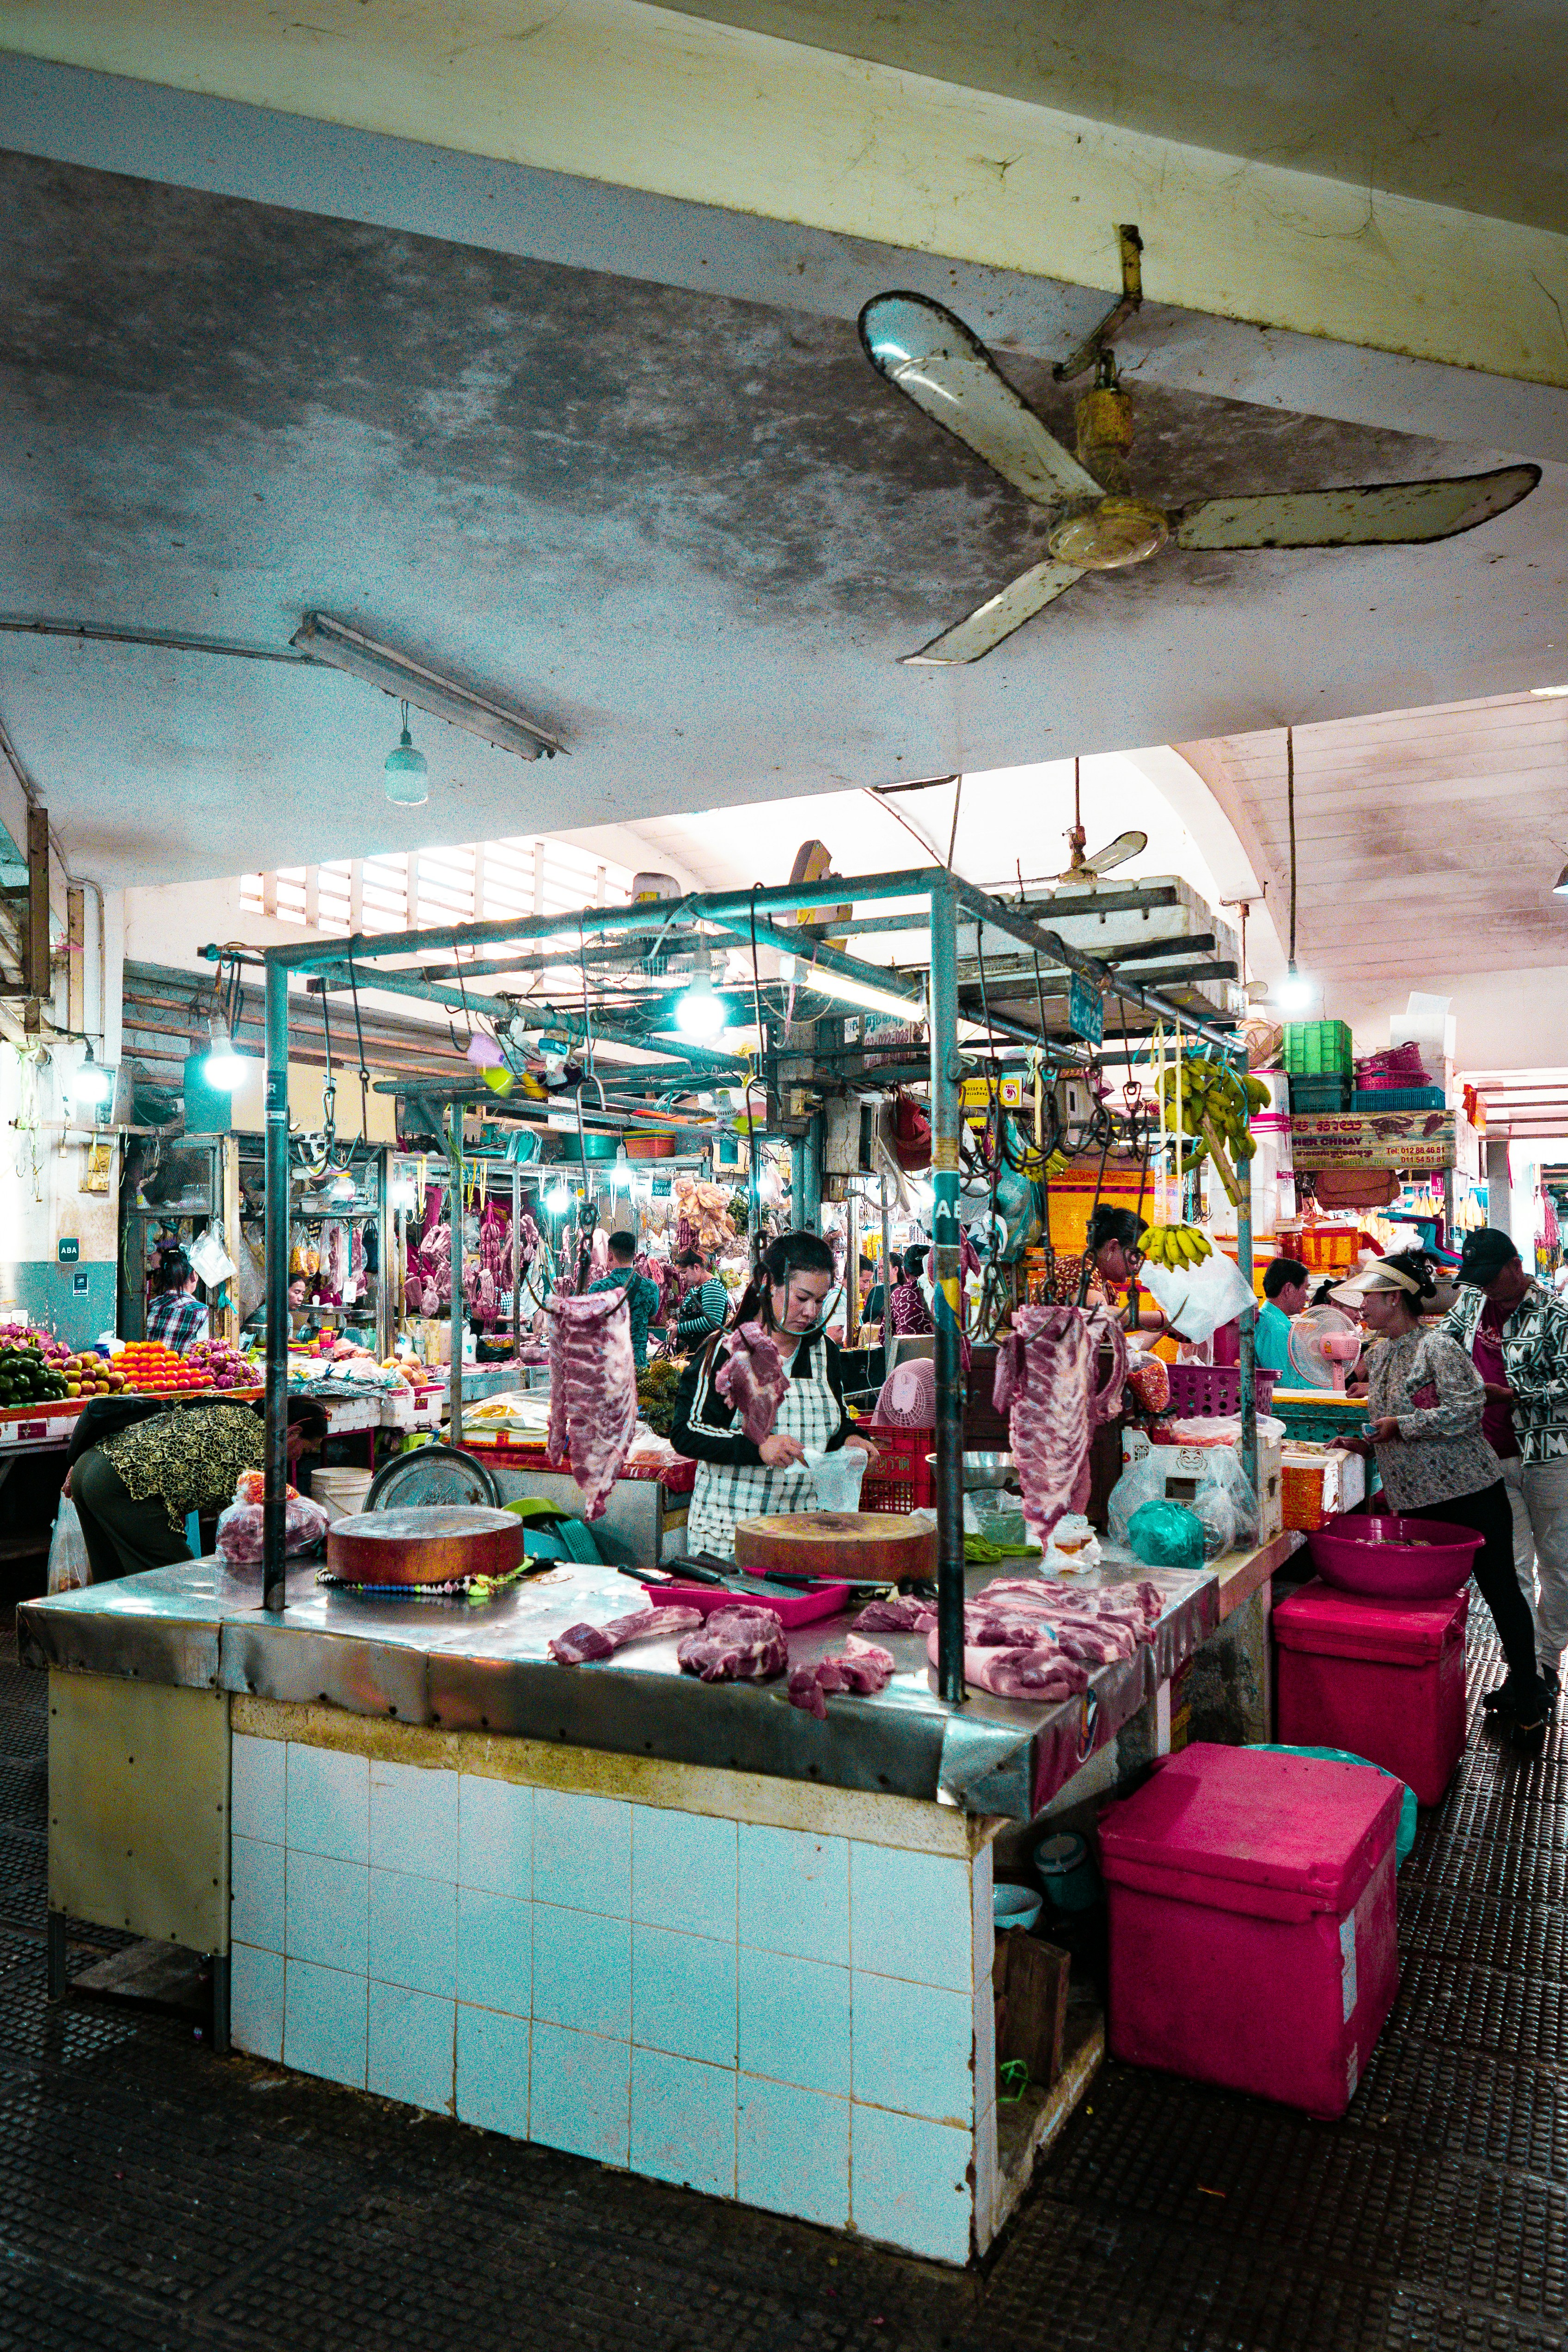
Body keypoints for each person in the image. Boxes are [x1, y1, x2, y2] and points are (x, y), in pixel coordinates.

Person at [1331, 1250, 1550, 1749]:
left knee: (1500, 1593)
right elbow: (1389, 1422)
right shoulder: (1380, 1353)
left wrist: (1399, 1427)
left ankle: (1529, 1697)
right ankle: (1428, 1704)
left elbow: (1466, 1410)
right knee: (1431, 1610)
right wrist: (1363, 1442)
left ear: (1393, 1298)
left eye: (1369, 1296)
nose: (1361, 1305)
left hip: (1469, 1494)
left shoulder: (1438, 1347)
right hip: (1417, 1503)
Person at [672, 1230, 879, 1558]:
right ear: (769, 1283)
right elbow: (687, 1432)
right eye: (802, 1298)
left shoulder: (823, 1352)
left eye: (821, 1301)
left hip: (803, 1535)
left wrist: (851, 1439)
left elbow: (835, 1420)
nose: (812, 1312)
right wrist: (759, 1448)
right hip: (732, 1539)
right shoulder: (727, 1351)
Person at [1440, 1227, 1568, 1710]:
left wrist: (1514, 1396)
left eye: (1492, 1277)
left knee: (1556, 1560)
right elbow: (1441, 1344)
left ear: (1515, 1266)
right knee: (1511, 1569)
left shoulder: (1554, 1313)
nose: (1487, 1288)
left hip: (1548, 1453)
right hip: (1489, 1457)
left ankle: (1548, 1658)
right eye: (1480, 1279)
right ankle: (1526, 1669)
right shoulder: (1472, 1304)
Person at [66, 1396, 329, 1583]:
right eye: (305, 1450)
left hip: (90, 1466)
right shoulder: (261, 1451)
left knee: (112, 1578)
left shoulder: (236, 1411)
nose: (298, 1459)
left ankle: (112, 1650)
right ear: (293, 1433)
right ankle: (166, 1657)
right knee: (176, 1582)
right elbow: (256, 1526)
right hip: (125, 1484)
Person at [589, 1230, 661, 1369]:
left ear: (610, 1255)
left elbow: (591, 1323)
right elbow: (653, 1316)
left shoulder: (598, 1288)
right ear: (634, 1256)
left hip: (608, 1366)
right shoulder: (651, 1287)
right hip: (637, 1363)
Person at [1254, 1256, 1310, 1380]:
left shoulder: (1270, 1320)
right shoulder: (1276, 1329)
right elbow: (1285, 1383)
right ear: (1289, 1289)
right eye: (1305, 1289)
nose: (1308, 1298)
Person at [145, 1246, 208, 1354]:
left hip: (151, 1369)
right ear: (194, 1276)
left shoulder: (151, 1306)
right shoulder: (201, 1312)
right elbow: (203, 1353)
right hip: (182, 1370)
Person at [674, 1247, 729, 1354]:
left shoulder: (712, 1287)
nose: (681, 1277)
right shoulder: (695, 1288)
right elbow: (692, 1317)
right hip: (691, 1352)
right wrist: (677, 1323)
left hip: (704, 1353)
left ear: (696, 1267)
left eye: (684, 1272)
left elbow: (712, 1321)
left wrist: (679, 1328)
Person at [889, 1246, 935, 1335]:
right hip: (944, 1349)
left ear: (905, 1272)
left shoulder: (898, 1295)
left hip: (908, 1349)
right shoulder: (947, 1290)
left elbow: (885, 1337)